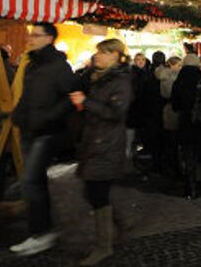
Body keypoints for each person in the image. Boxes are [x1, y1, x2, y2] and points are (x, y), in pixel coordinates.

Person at [9, 23, 75, 257]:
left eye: (36, 35)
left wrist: (47, 118)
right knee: (34, 183)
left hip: (46, 132)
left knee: (30, 182)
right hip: (29, 130)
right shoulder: (32, 64)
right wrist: (18, 114)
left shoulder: (59, 66)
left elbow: (70, 99)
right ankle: (43, 231)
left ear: (49, 38)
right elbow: (27, 96)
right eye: (31, 35)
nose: (30, 38)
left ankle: (41, 233)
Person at [69, 39, 132, 266]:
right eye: (98, 52)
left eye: (103, 53)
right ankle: (119, 224)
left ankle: (104, 246)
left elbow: (116, 113)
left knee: (96, 192)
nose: (98, 56)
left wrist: (86, 102)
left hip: (106, 143)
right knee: (93, 192)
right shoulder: (99, 77)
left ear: (115, 55)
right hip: (94, 141)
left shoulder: (121, 81)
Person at [171, 54, 201, 199]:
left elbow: (175, 106)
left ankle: (190, 187)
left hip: (186, 123)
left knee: (188, 156)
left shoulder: (178, 82)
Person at [157, 56, 182, 175]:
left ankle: (170, 164)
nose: (180, 68)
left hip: (170, 111)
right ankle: (170, 166)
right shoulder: (168, 77)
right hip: (171, 111)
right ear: (171, 66)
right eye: (178, 66)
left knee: (171, 139)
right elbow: (170, 94)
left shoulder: (167, 76)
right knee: (171, 139)